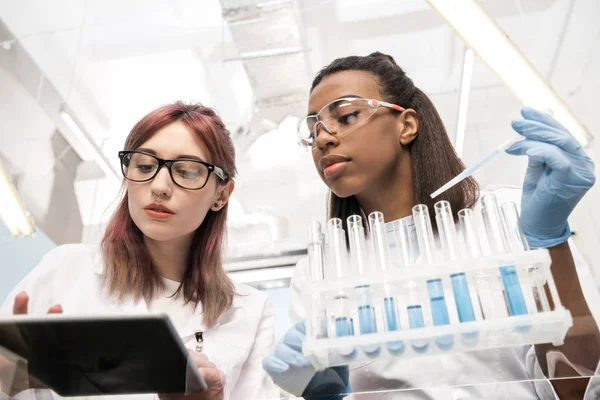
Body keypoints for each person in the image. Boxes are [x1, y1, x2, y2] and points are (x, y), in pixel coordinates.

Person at [262, 52, 600, 399]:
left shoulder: (514, 218)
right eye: (314, 129)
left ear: (406, 125)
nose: (323, 138)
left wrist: (549, 245)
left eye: (346, 116)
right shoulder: (318, 274)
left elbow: (578, 387)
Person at [0, 102, 278, 400]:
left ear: (221, 194)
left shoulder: (249, 312)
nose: (159, 186)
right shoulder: (65, 269)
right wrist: (8, 385)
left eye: (186, 172)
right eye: (145, 166)